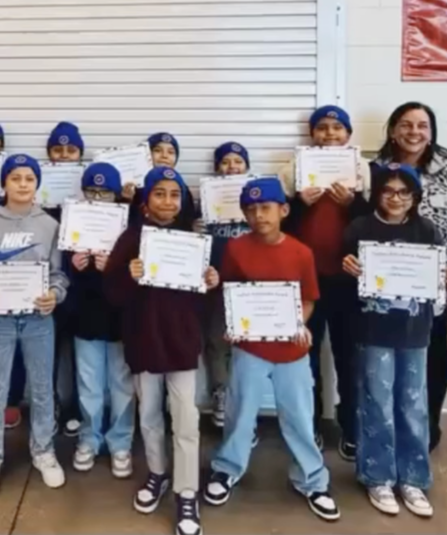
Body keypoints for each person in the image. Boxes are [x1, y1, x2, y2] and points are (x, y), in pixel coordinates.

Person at [205, 177, 340, 523]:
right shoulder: (235, 248)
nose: (258, 215)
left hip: (290, 352)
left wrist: (299, 325)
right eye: (250, 210)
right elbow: (232, 293)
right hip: (250, 347)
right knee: (240, 412)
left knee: (298, 417)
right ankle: (227, 468)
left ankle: (312, 479)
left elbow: (308, 300)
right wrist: (234, 324)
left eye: (265, 208)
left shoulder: (301, 252)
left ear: (283, 210)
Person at [104, 166, 220, 535]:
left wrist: (212, 282)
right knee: (150, 415)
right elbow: (112, 293)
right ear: (145, 200)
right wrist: (128, 275)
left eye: (175, 194)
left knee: (186, 418)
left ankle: (187, 492)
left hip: (182, 343)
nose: (168, 201)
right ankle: (158, 473)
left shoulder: (193, 239)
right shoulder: (130, 238)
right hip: (143, 341)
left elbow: (203, 299)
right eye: (160, 193)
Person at [342, 163, 447, 518]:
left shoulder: (428, 230)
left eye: (404, 192)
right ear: (377, 193)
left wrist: (444, 276)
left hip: (414, 332)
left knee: (413, 405)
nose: (396, 198)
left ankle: (413, 479)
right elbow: (346, 281)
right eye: (388, 191)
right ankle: (377, 475)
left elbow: (436, 288)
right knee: (376, 402)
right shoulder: (360, 228)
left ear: (415, 197)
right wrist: (350, 269)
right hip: (373, 331)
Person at [0, 154, 68, 504]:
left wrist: (55, 294)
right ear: (3, 184)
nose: (22, 184)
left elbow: (58, 275)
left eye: (29, 178)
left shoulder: (49, 225)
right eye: (15, 178)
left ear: (38, 184)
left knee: (41, 388)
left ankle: (43, 450)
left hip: (38, 320)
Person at [374, 102, 447, 453]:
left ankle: (426, 427)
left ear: (431, 132)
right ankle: (385, 427)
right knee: (384, 357)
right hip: (383, 284)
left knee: (432, 354)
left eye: (422, 125)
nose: (414, 132)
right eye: (406, 125)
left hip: (433, 285)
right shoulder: (374, 170)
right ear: (393, 130)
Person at [281, 104, 370, 458]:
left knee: (350, 356)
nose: (330, 134)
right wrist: (299, 203)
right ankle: (312, 424)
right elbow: (278, 225)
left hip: (348, 281)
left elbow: (376, 223)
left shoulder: (364, 171)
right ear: (311, 134)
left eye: (337, 128)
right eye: (322, 128)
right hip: (306, 282)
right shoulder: (292, 172)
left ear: (348, 134)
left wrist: (352, 204)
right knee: (306, 356)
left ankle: (350, 426)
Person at [67, 163, 135, 479]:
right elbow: (58, 274)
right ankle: (88, 439)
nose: (97, 198)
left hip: (121, 318)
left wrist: (115, 266)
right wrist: (74, 266)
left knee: (122, 384)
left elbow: (141, 275)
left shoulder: (130, 226)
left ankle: (120, 442)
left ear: (116, 195)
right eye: (91, 192)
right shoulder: (71, 223)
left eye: (104, 192)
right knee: (88, 384)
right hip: (86, 317)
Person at [204, 141, 252, 428]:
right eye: (225, 161)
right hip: (217, 280)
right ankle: (221, 394)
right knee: (216, 340)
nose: (232, 166)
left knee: (247, 346)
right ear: (216, 168)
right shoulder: (208, 198)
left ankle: (245, 404)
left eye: (238, 161)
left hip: (249, 281)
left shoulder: (256, 198)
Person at [44, 120, 86, 435]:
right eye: (57, 150)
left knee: (76, 351)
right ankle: (52, 404)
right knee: (48, 348)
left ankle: (74, 407)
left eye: (71, 150)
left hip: (82, 283)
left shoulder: (90, 197)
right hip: (46, 282)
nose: (64, 155)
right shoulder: (38, 192)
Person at [129, 133, 197, 225]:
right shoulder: (132, 187)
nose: (164, 156)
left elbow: (188, 222)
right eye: (157, 150)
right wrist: (127, 200)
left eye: (171, 152)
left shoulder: (182, 189)